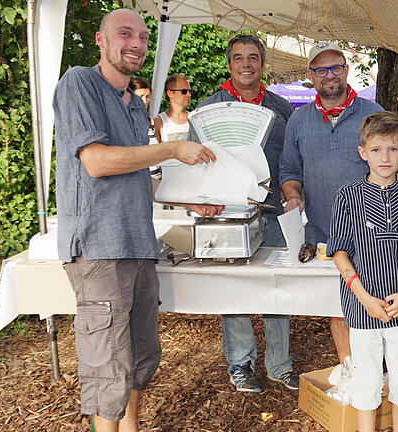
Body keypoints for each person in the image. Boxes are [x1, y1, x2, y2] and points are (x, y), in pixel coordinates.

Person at [53, 9, 221, 432]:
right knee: (108, 365)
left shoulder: (133, 105)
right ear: (100, 40)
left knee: (140, 358)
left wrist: (189, 203)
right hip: (99, 247)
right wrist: (170, 150)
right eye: (125, 33)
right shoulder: (79, 83)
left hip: (138, 245)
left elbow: (135, 178)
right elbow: (96, 161)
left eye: (144, 37)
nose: (137, 43)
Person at [279, 41, 398, 367]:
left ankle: (389, 372)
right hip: (323, 231)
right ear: (311, 76)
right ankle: (355, 372)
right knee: (338, 306)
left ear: (346, 70)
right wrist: (292, 194)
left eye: (336, 67)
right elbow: (289, 170)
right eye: (321, 70)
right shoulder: (299, 121)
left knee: (381, 299)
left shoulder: (373, 113)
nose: (330, 75)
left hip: (375, 231)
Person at [196, 34, 299, 393]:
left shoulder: (282, 108)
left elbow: (291, 159)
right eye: (238, 58)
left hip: (272, 210)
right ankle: (241, 363)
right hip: (227, 214)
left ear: (263, 64)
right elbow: (197, 163)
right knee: (235, 290)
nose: (246, 64)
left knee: (276, 287)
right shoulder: (209, 109)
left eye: (253, 57)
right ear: (229, 65)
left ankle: (280, 365)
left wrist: (293, 191)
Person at [327, 111, 398, 432]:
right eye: (376, 150)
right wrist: (363, 297)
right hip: (362, 308)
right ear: (363, 153)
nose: (385, 157)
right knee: (366, 377)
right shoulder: (348, 196)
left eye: (392, 149)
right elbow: (339, 252)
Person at [154, 74, 191, 142]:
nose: (189, 95)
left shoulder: (193, 118)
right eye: (184, 91)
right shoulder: (159, 121)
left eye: (190, 91)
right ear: (170, 93)